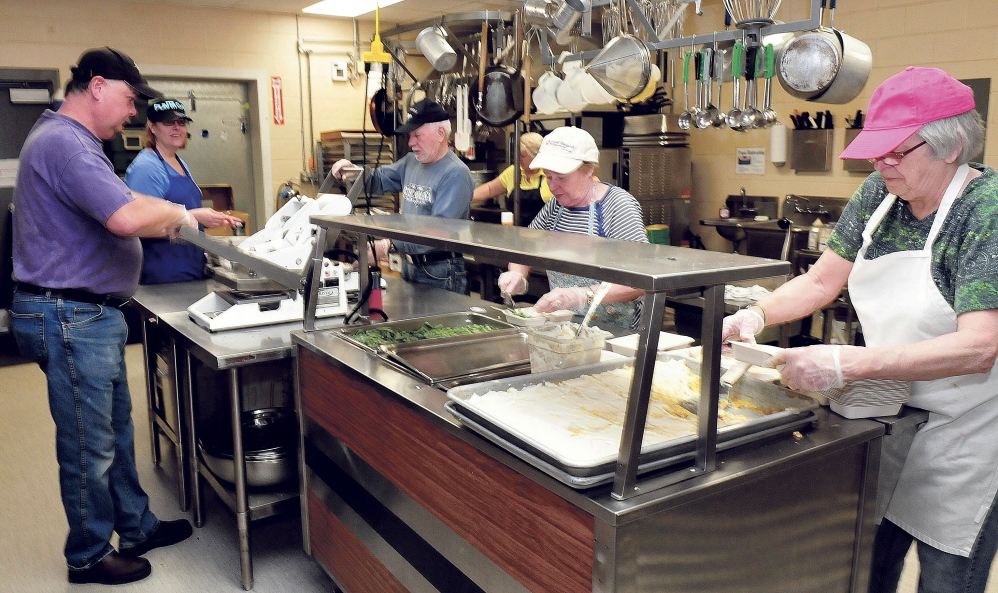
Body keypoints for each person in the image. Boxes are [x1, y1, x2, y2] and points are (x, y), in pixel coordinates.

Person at [721, 67, 998, 593]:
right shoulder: (880, 192)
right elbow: (824, 279)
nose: (882, 165)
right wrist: (759, 312)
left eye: (897, 152)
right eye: (876, 152)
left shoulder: (987, 211)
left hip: (971, 426)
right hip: (891, 407)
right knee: (869, 558)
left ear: (951, 146)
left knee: (945, 574)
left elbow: (981, 346)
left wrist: (845, 364)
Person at [9, 47, 197, 586]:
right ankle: (88, 555)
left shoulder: (70, 141)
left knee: (114, 429)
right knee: (89, 444)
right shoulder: (67, 145)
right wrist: (180, 214)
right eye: (129, 99)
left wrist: (184, 214)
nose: (134, 113)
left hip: (85, 315)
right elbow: (125, 215)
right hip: (69, 316)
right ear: (96, 86)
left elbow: (122, 201)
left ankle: (134, 526)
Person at [496, 127, 647, 329]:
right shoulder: (555, 206)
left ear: (589, 169)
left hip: (615, 332)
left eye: (562, 178)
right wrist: (517, 274)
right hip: (567, 327)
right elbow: (524, 248)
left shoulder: (617, 205)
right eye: (549, 177)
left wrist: (580, 295)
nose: (553, 186)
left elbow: (639, 282)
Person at [331, 99, 474, 294]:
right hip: (409, 265)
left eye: (417, 135)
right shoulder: (411, 162)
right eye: (410, 135)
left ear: (441, 133)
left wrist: (389, 244)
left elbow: (439, 230)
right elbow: (378, 179)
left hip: (440, 271)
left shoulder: (455, 173)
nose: (411, 142)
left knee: (439, 325)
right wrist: (353, 171)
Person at [125, 97, 241, 284]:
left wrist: (209, 219)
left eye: (181, 122)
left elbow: (184, 213)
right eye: (169, 122)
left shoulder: (180, 163)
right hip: (163, 274)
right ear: (153, 127)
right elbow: (140, 225)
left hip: (190, 268)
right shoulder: (147, 167)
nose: (177, 128)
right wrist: (194, 216)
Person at [471, 131, 552, 223]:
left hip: (545, 234)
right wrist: (464, 199)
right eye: (516, 155)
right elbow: (489, 189)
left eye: (522, 155)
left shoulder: (550, 174)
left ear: (535, 155)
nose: (518, 159)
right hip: (516, 232)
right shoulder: (514, 171)